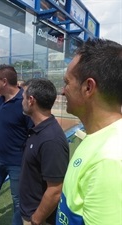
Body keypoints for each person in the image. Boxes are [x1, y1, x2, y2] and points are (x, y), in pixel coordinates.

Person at [57, 38, 122, 225]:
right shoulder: (99, 138)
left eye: (66, 82)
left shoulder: (109, 159)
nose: (63, 91)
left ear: (88, 87)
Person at [0, 64, 33, 225]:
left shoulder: (25, 101)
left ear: (4, 81)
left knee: (18, 201)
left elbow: (33, 133)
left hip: (17, 163)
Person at [19, 78, 69, 225]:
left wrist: (36, 219)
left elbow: (55, 191)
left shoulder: (50, 140)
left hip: (37, 218)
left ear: (31, 100)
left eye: (23, 97)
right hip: (29, 212)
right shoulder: (39, 130)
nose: (21, 101)